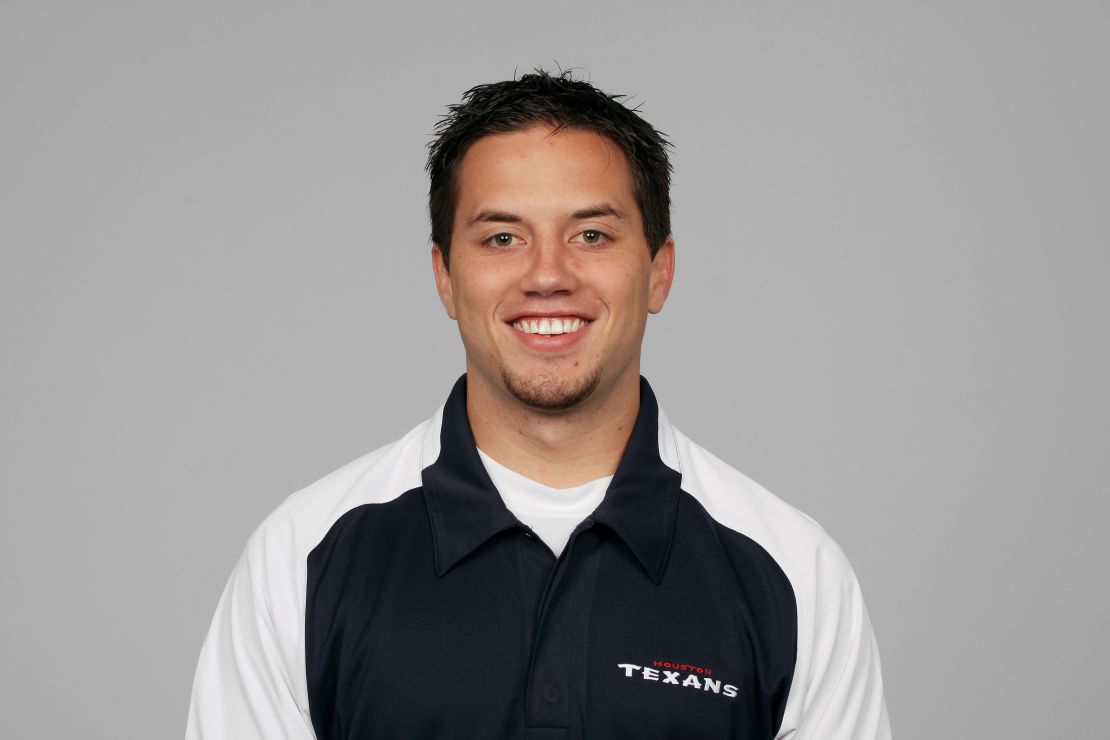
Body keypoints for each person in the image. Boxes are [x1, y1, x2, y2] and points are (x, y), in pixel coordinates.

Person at [185, 69, 892, 740]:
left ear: (658, 272)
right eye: (502, 238)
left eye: (591, 235)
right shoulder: (302, 558)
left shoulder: (794, 572)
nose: (548, 275)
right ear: (445, 277)